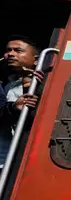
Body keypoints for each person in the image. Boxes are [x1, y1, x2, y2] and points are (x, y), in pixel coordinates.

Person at [0, 35, 44, 166]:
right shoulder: (7, 83)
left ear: (36, 60)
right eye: (8, 50)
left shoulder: (46, 84)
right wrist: (13, 107)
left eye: (18, 51)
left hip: (28, 158)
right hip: (4, 159)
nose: (10, 54)